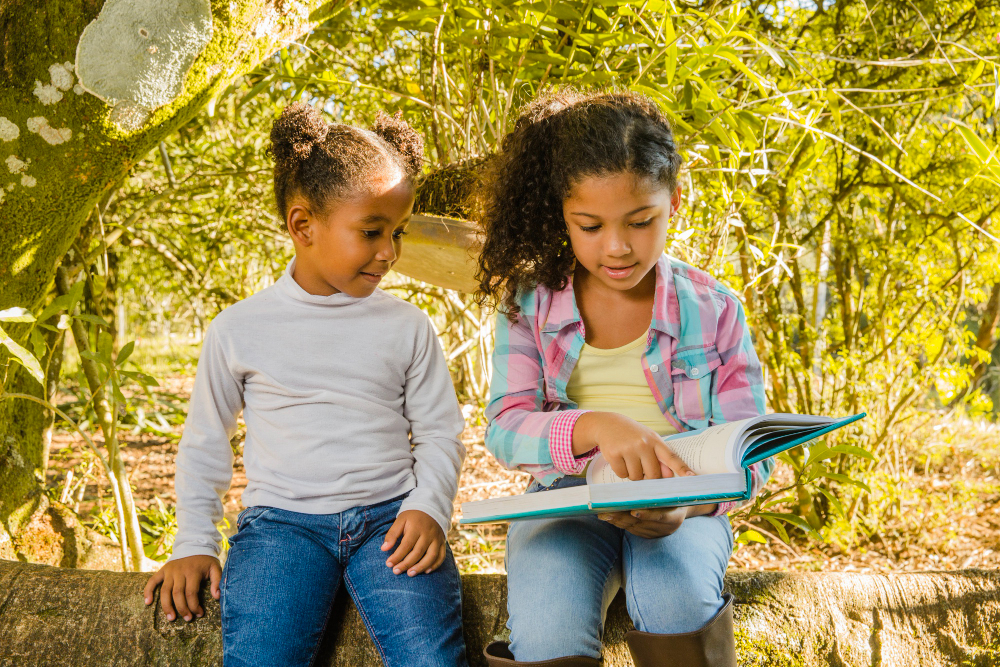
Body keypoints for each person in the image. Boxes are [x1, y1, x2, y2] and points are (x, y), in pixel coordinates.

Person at [142, 102, 469, 667]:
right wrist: (194, 542)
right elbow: (205, 443)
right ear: (303, 226)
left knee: (432, 660)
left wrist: (429, 508)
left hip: (392, 521)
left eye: (397, 233)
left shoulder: (408, 327)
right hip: (280, 528)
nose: (390, 253)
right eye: (371, 232)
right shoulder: (239, 329)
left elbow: (441, 432)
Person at [474, 89, 774, 667]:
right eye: (589, 226)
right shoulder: (528, 305)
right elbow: (505, 428)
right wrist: (595, 428)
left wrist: (688, 506)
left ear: (674, 202)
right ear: (563, 215)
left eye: (640, 222)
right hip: (565, 498)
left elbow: (751, 452)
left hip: (686, 502)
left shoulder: (715, 309)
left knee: (677, 597)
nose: (616, 248)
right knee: (548, 626)